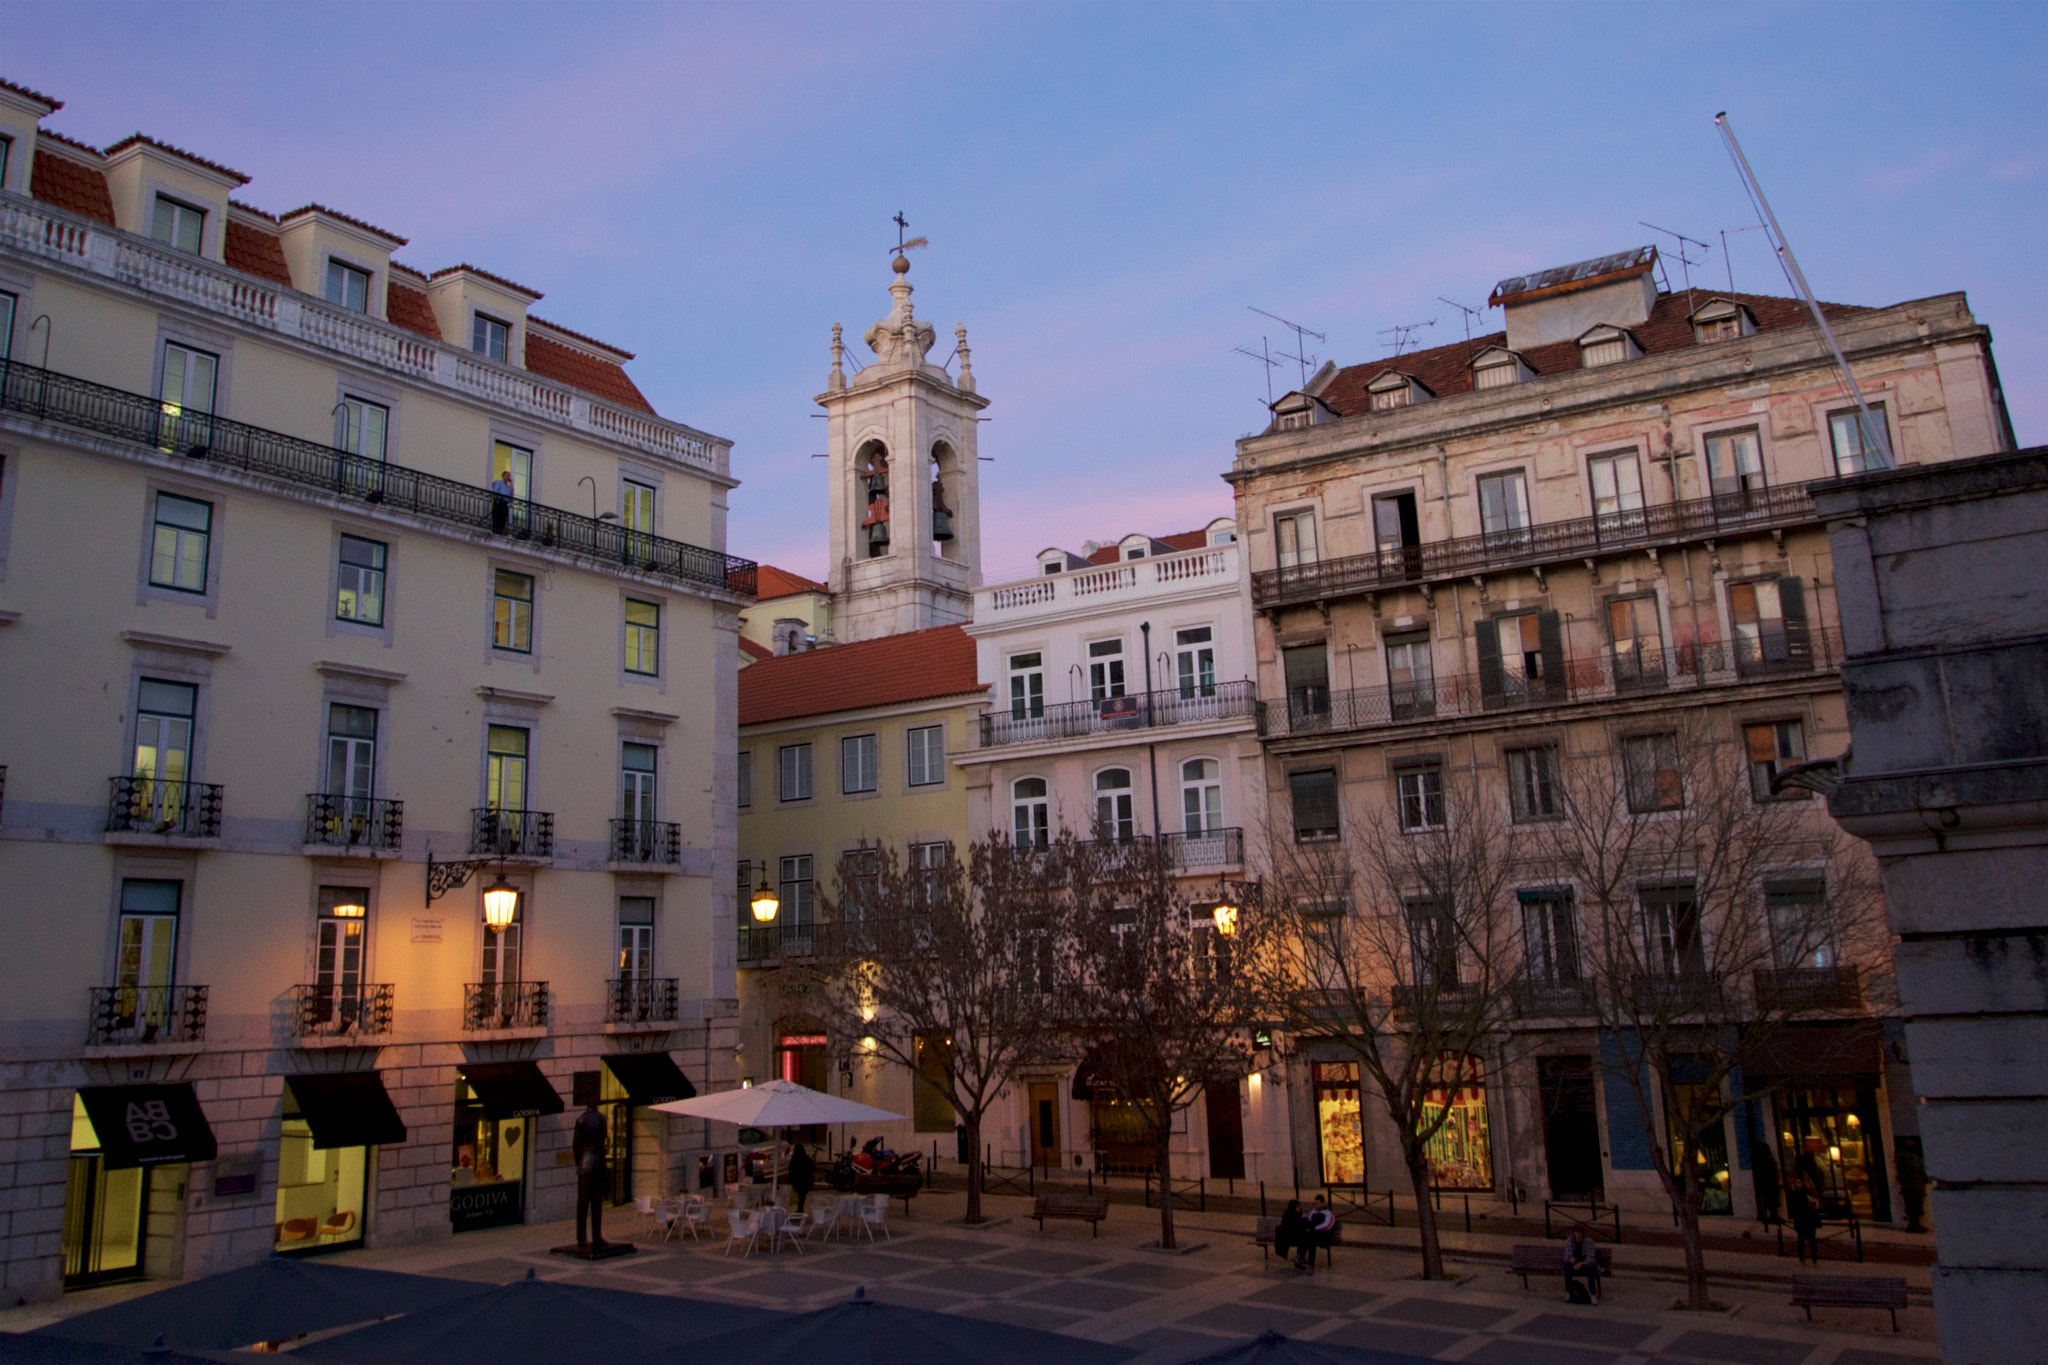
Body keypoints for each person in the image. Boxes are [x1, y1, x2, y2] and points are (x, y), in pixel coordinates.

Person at [572, 1103, 608, 1249]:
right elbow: (603, 1141)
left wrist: (579, 1164)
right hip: (598, 1163)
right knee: (597, 1203)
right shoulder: (602, 1119)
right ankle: (597, 1236)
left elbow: (576, 1145)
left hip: (585, 1164)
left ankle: (581, 1238)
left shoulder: (581, 1120)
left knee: (583, 1204)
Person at [1787, 1177, 1823, 1264]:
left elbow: (1814, 1203)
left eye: (1799, 1182)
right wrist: (1793, 1192)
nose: (1797, 1184)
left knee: (1812, 1240)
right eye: (1796, 1183)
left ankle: (1814, 1259)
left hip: (1809, 1220)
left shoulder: (1807, 1192)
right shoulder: (1793, 1194)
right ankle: (1802, 1258)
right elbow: (1791, 1207)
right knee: (1801, 1240)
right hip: (1800, 1221)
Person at [1563, 1227, 1601, 1304]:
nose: (1577, 1235)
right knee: (1567, 1267)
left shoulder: (1589, 1242)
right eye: (1576, 1232)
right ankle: (1568, 1291)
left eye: (1579, 1233)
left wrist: (1580, 1264)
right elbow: (1567, 1255)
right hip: (1574, 1264)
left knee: (1591, 1269)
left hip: (1585, 1264)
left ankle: (1593, 1294)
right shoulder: (1570, 1241)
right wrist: (1571, 1259)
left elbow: (1591, 1259)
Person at [1303, 1195, 1338, 1272]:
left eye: (1318, 1204)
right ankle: (1304, 1259)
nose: (1317, 1206)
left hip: (1324, 1236)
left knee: (1310, 1238)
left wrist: (1315, 1229)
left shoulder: (1328, 1214)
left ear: (1323, 1203)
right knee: (1308, 1237)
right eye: (1315, 1204)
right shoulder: (1314, 1212)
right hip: (1314, 1235)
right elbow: (1309, 1220)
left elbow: (1327, 1225)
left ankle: (1308, 1262)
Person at [1274, 1199, 1309, 1272]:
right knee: (1305, 1239)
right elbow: (1298, 1227)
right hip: (1290, 1239)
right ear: (1295, 1207)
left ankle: (1300, 1257)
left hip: (1288, 1239)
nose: (1300, 1208)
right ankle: (1299, 1259)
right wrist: (1304, 1219)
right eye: (1299, 1207)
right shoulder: (1294, 1216)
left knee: (1304, 1238)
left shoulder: (1288, 1215)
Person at [789, 1141, 816, 1213]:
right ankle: (800, 1208)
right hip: (805, 1181)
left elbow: (791, 1170)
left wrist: (791, 1180)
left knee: (799, 1195)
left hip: (797, 1181)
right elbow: (811, 1167)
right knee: (802, 1195)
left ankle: (799, 1208)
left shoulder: (794, 1160)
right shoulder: (805, 1158)